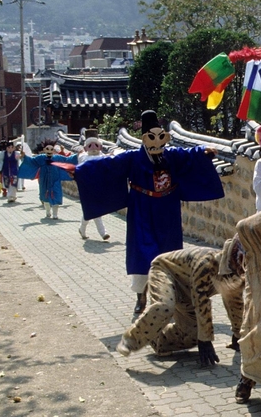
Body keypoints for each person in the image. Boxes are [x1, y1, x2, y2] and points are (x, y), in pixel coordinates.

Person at [74, 110, 224, 316]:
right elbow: (107, 166)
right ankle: (141, 296)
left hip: (168, 209)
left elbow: (189, 154)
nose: (157, 142)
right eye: (152, 137)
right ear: (144, 138)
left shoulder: (170, 155)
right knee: (143, 254)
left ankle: (176, 296)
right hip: (142, 209)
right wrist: (81, 172)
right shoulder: (132, 158)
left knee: (171, 253)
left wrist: (203, 151)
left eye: (160, 137)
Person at [116, 236, 245, 368]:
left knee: (194, 334)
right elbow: (201, 302)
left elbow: (235, 304)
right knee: (164, 307)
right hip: (165, 271)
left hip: (187, 291)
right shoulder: (206, 263)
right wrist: (205, 340)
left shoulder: (238, 273)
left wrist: (238, 335)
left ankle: (159, 341)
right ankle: (130, 340)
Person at [18, 139, 77, 219]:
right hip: (44, 180)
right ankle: (48, 211)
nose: (49, 151)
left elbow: (68, 160)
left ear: (53, 150)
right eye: (47, 149)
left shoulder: (57, 158)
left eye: (51, 149)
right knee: (45, 197)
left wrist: (77, 155)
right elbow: (31, 161)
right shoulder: (40, 158)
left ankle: (55, 214)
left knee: (56, 196)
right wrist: (24, 156)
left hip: (55, 180)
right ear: (44, 149)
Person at [76, 136, 110, 240]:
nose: (94, 148)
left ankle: (82, 228)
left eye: (96, 145)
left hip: (100, 187)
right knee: (95, 210)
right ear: (86, 147)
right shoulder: (84, 157)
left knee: (90, 211)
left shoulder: (103, 156)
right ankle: (103, 233)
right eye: (90, 145)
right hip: (88, 187)